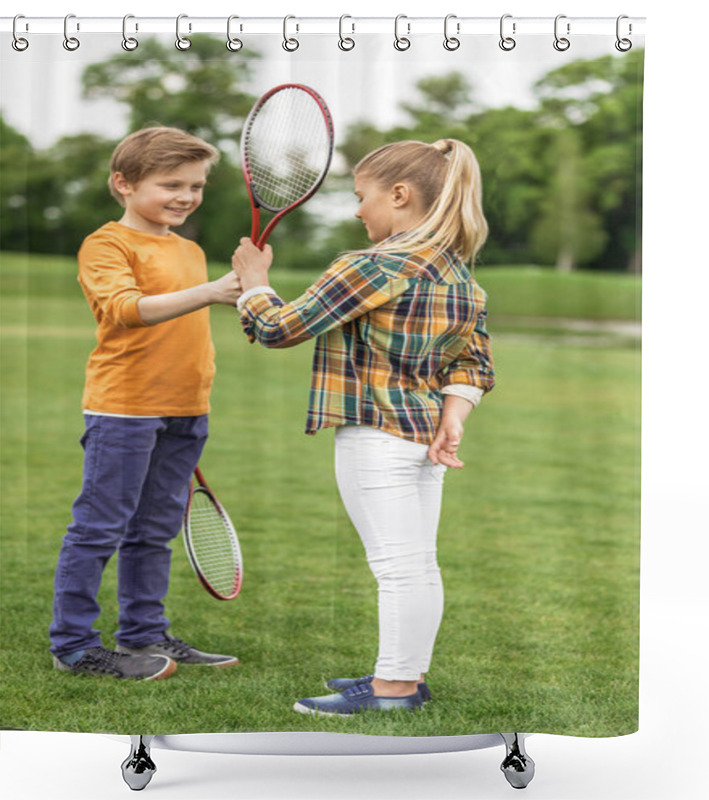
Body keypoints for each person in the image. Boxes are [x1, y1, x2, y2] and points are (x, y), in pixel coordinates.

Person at [232, 138, 496, 715]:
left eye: (362, 197)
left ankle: (394, 691)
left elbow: (279, 328)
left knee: (398, 567)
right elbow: (474, 363)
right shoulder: (461, 277)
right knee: (418, 563)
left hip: (375, 440)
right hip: (423, 439)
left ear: (399, 195)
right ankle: (405, 676)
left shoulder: (369, 266)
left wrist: (254, 282)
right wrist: (453, 417)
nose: (358, 211)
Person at [49, 126, 242, 680]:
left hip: (187, 408)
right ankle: (75, 647)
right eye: (171, 184)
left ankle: (143, 636)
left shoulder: (191, 249)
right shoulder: (106, 244)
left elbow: (199, 317)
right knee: (99, 528)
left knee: (153, 531)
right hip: (125, 408)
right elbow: (127, 309)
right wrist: (210, 291)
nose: (185, 196)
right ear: (124, 184)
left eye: (196, 186)